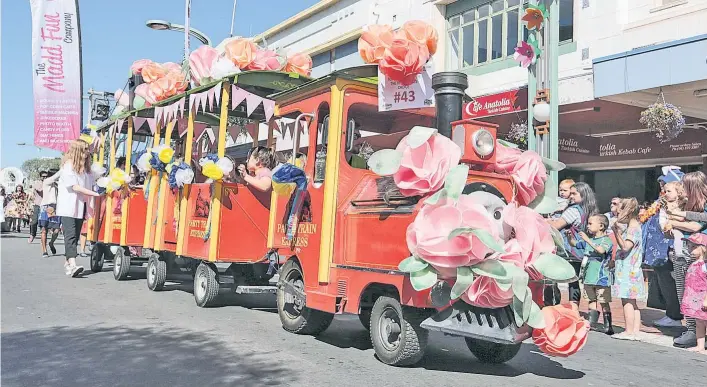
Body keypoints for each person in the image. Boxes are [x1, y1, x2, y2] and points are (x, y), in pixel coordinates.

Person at [666, 171, 707, 348]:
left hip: (699, 255)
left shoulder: (703, 204)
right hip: (684, 252)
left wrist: (675, 221)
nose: (682, 189)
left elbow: (697, 224)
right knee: (687, 294)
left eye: (685, 185)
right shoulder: (687, 203)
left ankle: (695, 332)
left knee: (700, 294)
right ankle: (693, 330)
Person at [548, 181, 599, 310]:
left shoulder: (573, 210)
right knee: (574, 282)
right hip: (578, 251)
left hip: (566, 249)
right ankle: (574, 310)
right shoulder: (589, 210)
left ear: (583, 195)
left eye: (574, 193)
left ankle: (553, 308)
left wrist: (545, 221)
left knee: (551, 280)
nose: (571, 196)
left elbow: (556, 226)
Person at [57, 139, 102, 277]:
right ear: (78, 151)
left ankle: (68, 263)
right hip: (68, 207)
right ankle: (73, 263)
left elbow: (92, 183)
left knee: (75, 236)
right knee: (70, 236)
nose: (88, 153)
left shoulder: (87, 170)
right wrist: (95, 194)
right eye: (85, 150)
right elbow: (75, 187)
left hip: (81, 207)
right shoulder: (68, 166)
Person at [572, 214, 614, 334]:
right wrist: (570, 238)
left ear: (601, 226)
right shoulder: (590, 241)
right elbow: (575, 244)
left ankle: (608, 325)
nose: (588, 226)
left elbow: (601, 250)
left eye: (590, 224)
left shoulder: (606, 240)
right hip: (588, 276)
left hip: (601, 277)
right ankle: (592, 322)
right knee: (591, 299)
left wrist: (587, 240)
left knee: (603, 300)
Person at [611, 197, 646, 341]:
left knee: (627, 301)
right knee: (633, 301)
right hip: (633, 268)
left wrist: (615, 232)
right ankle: (635, 329)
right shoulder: (635, 226)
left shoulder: (632, 229)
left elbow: (625, 246)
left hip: (628, 269)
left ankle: (629, 330)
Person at [680, 233, 707, 354]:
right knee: (699, 322)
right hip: (695, 299)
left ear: (703, 248)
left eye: (693, 247)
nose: (690, 249)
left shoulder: (704, 265)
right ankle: (700, 345)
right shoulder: (692, 263)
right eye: (689, 246)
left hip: (703, 298)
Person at [38, 168, 62, 257]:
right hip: (45, 207)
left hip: (55, 207)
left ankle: (51, 243)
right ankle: (44, 250)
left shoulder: (58, 184)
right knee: (44, 230)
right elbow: (55, 177)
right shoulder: (47, 181)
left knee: (56, 230)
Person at [28, 172, 46, 243]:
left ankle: (43, 237)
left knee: (43, 223)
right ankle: (32, 234)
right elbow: (40, 190)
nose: (45, 178)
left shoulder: (49, 183)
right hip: (37, 205)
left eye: (46, 176)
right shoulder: (37, 183)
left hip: (45, 205)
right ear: (40, 176)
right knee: (34, 221)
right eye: (43, 176)